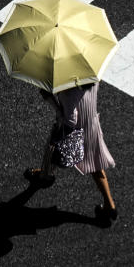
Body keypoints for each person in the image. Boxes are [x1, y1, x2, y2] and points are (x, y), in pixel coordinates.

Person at [25, 82, 118, 225]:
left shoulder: (68, 90)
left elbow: (70, 119)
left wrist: (50, 98)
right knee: (95, 164)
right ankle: (109, 204)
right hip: (91, 123)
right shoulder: (92, 78)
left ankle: (45, 176)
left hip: (76, 129)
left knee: (54, 149)